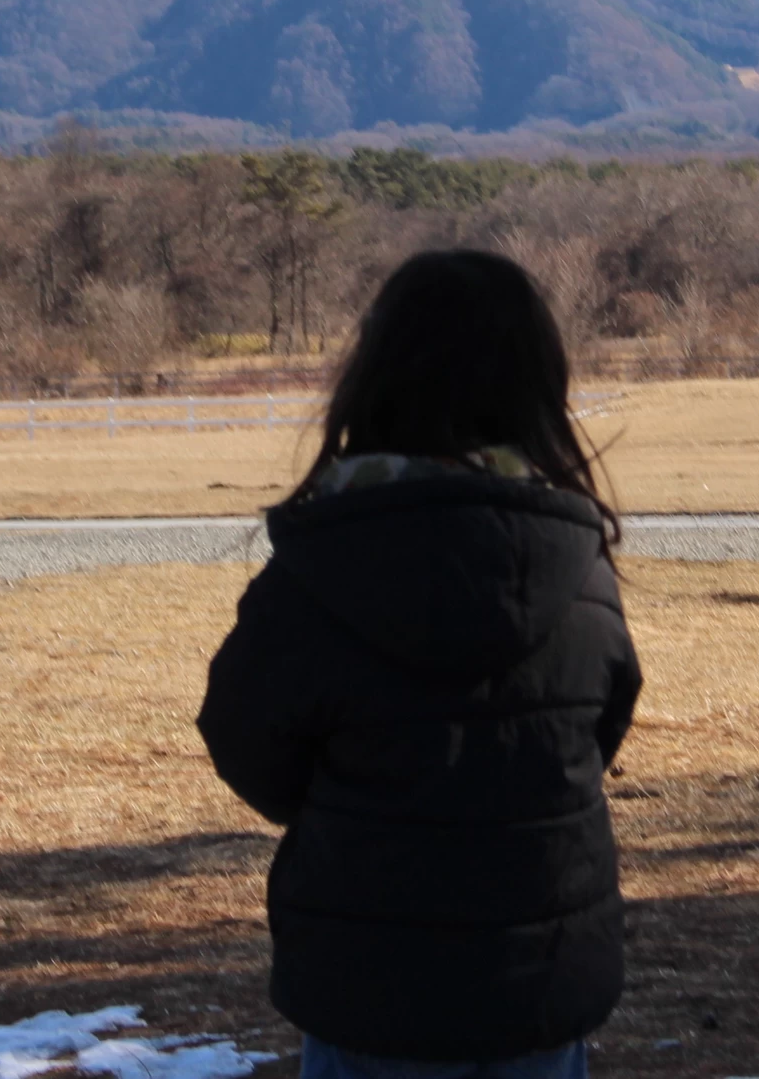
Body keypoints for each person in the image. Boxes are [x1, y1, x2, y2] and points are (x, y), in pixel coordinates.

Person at [198, 249, 641, 1079]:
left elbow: (243, 735)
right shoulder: (578, 563)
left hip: (367, 985)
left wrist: (349, 804)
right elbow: (598, 727)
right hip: (539, 980)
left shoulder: (320, 561)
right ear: (537, 386)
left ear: (373, 377)